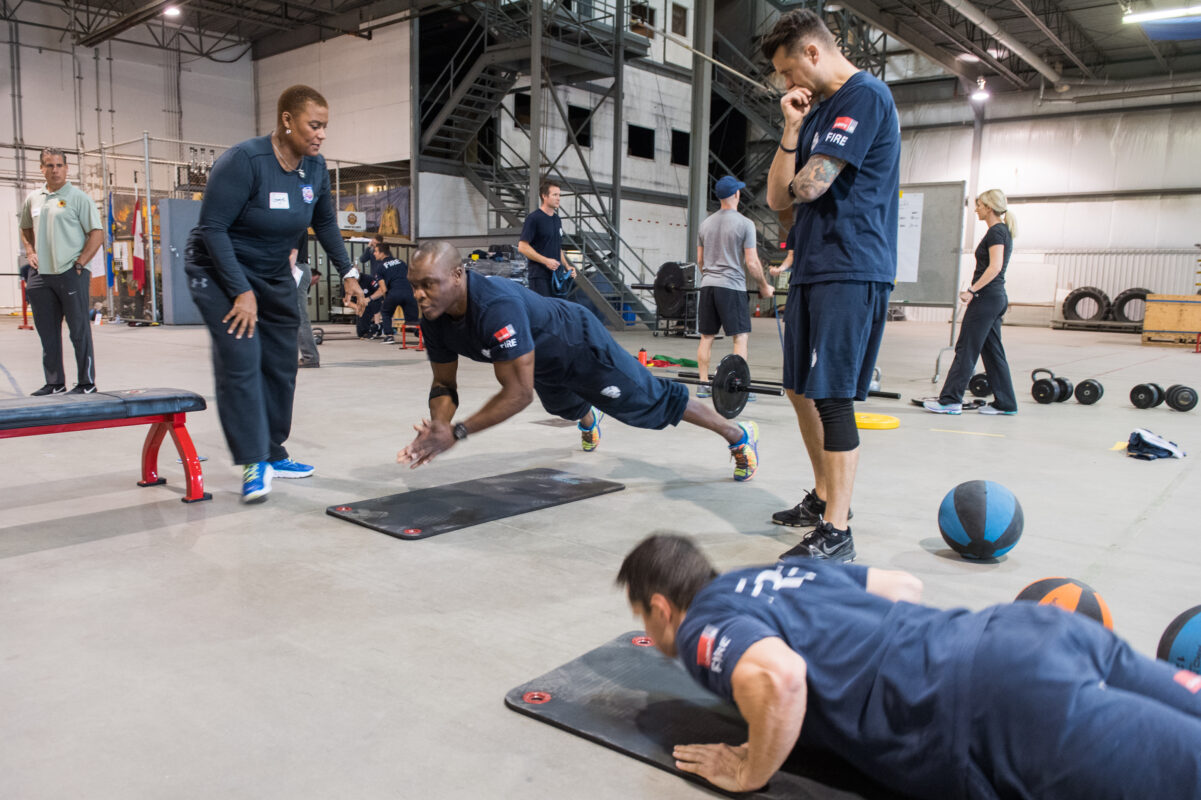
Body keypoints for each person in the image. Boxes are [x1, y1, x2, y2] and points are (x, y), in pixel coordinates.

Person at [618, 533, 1201, 799]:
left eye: (644, 617)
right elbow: (904, 585)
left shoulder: (700, 627)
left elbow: (778, 677)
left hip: (996, 703)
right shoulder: (774, 574)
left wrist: (750, 769)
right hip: (1027, 631)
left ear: (663, 608)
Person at [398, 240, 760, 482]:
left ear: (458, 276)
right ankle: (589, 417)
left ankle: (738, 435)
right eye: (415, 284)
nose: (419, 294)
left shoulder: (496, 307)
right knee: (563, 406)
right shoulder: (433, 315)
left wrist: (458, 432)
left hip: (578, 342)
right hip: (541, 359)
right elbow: (444, 383)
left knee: (648, 400)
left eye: (428, 284)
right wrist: (440, 425)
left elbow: (519, 393)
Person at [762, 10, 901, 561]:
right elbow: (778, 199)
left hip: (852, 265)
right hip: (813, 267)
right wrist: (792, 129)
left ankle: (837, 531)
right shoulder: (815, 113)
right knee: (799, 389)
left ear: (813, 54)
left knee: (833, 396)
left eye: (787, 68)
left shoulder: (865, 97)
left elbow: (810, 186)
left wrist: (798, 179)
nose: (784, 83)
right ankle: (823, 498)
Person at [186, 84, 365, 502]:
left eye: (325, 127)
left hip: (271, 271)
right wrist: (240, 291)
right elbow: (213, 229)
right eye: (313, 125)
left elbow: (325, 226)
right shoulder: (244, 161)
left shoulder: (314, 169)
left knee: (283, 361)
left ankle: (272, 450)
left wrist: (351, 273)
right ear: (286, 120)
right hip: (217, 269)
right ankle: (253, 461)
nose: (321, 135)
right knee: (243, 358)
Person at [923, 190, 1018, 416]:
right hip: (995, 299)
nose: (976, 209)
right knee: (993, 352)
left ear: (989, 207)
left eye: (979, 205)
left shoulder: (996, 232)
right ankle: (1006, 403)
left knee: (966, 348)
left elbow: (994, 267)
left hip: (986, 298)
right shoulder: (1002, 231)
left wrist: (971, 290)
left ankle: (950, 400)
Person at [19, 147, 105, 396]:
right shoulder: (34, 199)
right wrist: (30, 251)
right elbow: (25, 227)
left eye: (58, 165)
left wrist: (80, 264)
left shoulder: (79, 198)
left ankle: (86, 383)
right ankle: (55, 382)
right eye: (49, 165)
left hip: (71, 272)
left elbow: (97, 234)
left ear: (67, 169)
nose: (54, 169)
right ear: (42, 168)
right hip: (40, 275)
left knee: (79, 329)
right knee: (47, 332)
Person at [694, 175, 774, 400]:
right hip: (732, 287)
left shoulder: (705, 224)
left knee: (706, 337)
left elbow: (700, 261)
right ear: (736, 194)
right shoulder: (745, 223)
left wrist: (710, 277)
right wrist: (764, 286)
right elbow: (752, 262)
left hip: (708, 286)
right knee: (740, 338)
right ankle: (739, 387)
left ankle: (702, 384)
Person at [517, 178, 576, 298]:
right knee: (543, 314)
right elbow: (522, 247)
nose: (558, 198)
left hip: (557, 276)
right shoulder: (534, 218)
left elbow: (557, 248)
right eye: (555, 195)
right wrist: (545, 261)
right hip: (540, 277)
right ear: (544, 196)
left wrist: (567, 266)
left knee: (559, 312)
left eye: (559, 195)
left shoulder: (557, 220)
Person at [372, 241, 418, 344]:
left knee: (385, 312)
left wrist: (385, 300)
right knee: (412, 320)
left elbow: (383, 289)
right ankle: (421, 335)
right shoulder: (401, 262)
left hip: (394, 293)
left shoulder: (380, 267)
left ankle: (389, 336)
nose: (374, 254)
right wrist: (414, 293)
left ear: (382, 253)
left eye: (375, 251)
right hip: (408, 292)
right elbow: (411, 278)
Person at [291, 230, 320, 368]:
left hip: (295, 267)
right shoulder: (298, 217)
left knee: (300, 315)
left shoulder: (293, 219)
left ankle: (310, 357)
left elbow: (292, 250)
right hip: (297, 267)